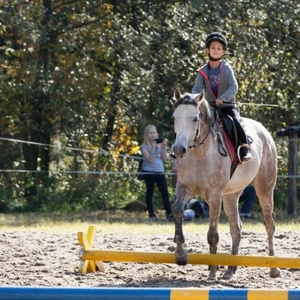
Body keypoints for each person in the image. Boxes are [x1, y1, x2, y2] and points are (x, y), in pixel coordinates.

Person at [192, 32, 253, 163]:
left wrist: (223, 98)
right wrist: (194, 99)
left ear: (223, 52)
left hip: (227, 106)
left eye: (219, 49)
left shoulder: (226, 68)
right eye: (213, 48)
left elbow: (234, 86)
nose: (215, 51)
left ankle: (244, 148)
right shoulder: (202, 71)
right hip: (210, 109)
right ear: (207, 50)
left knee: (235, 121)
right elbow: (197, 89)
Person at [140, 124, 173, 221]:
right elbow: (149, 159)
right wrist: (154, 150)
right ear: (147, 135)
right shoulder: (144, 146)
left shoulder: (160, 145)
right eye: (150, 133)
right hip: (149, 172)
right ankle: (151, 214)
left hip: (160, 171)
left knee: (165, 193)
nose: (152, 135)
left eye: (154, 132)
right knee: (150, 192)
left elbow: (165, 158)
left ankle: (169, 213)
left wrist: (163, 148)